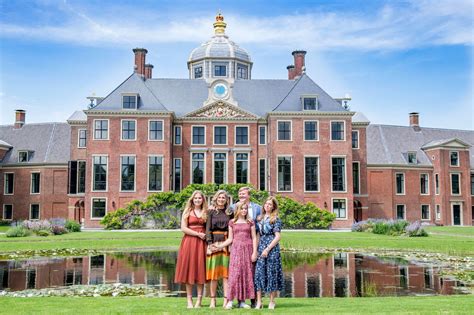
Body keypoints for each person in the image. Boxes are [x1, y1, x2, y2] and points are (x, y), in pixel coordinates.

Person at [215, 202, 257, 309]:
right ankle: (230, 300)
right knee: (235, 274)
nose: (244, 211)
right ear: (237, 210)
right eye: (242, 209)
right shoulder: (232, 222)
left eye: (245, 209)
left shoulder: (250, 222)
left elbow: (254, 238)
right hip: (236, 250)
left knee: (245, 274)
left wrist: (255, 252)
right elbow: (230, 239)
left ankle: (242, 301)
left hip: (248, 249)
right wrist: (220, 246)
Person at [174, 190, 208, 308]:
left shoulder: (206, 212)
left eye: (199, 198)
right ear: (192, 200)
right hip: (189, 242)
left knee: (200, 270)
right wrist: (197, 234)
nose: (198, 200)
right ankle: (189, 300)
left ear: (203, 199)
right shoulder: (187, 211)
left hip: (202, 244)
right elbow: (183, 228)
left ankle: (199, 301)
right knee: (189, 270)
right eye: (196, 198)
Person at [230, 186, 262, 308]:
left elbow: (260, 224)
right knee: (238, 272)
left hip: (253, 243)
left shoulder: (257, 208)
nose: (241, 196)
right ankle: (239, 300)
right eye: (239, 194)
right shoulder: (233, 207)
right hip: (238, 245)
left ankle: (255, 300)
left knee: (253, 273)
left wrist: (256, 249)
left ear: (249, 195)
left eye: (243, 194)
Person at [254, 196, 283, 310]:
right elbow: (257, 235)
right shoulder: (259, 218)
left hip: (272, 249)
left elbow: (278, 236)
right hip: (261, 247)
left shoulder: (275, 219)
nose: (267, 206)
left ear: (273, 207)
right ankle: (259, 302)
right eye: (266, 204)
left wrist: (267, 249)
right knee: (259, 274)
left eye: (270, 204)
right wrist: (256, 250)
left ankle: (272, 301)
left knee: (271, 274)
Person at [206, 190, 233, 308]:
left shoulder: (229, 212)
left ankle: (226, 300)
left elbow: (233, 228)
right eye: (219, 197)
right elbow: (207, 229)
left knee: (226, 274)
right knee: (214, 274)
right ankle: (213, 299)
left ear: (226, 200)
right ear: (216, 199)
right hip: (214, 243)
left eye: (224, 198)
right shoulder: (211, 212)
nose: (221, 199)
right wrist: (210, 244)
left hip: (226, 243)